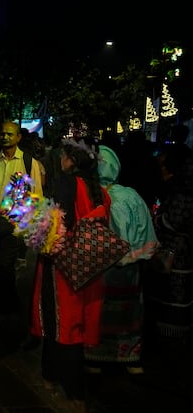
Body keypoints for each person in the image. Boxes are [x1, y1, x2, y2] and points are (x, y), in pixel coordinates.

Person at [29, 138, 110, 412]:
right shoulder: (100, 191)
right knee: (72, 326)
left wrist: (25, 213)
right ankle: (50, 378)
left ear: (70, 160)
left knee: (62, 329)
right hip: (88, 270)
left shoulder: (66, 185)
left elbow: (51, 231)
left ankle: (74, 394)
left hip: (62, 270)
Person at [83, 145, 158, 376]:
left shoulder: (87, 195)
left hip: (98, 270)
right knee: (129, 313)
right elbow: (146, 232)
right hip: (129, 268)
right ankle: (130, 358)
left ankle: (95, 357)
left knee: (100, 312)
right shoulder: (131, 196)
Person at [0, 121, 44, 331]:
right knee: (0, 264)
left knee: (4, 264)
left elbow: (36, 194)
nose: (5, 137)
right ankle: (12, 302)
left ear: (18, 138)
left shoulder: (27, 162)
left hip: (14, 221)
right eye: (2, 134)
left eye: (9, 134)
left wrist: (28, 224)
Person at [144, 142, 193, 340]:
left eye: (166, 165)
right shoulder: (179, 189)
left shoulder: (182, 193)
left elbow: (172, 221)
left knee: (173, 289)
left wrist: (155, 219)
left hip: (176, 252)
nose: (162, 169)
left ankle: (169, 332)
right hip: (180, 251)